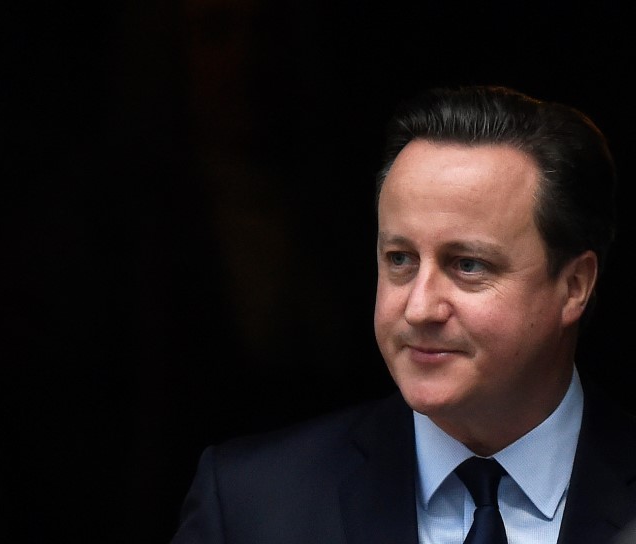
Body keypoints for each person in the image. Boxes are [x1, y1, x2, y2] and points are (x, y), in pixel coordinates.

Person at [168, 85, 636, 544]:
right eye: (400, 259)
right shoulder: (252, 503)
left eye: (467, 265)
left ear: (574, 287)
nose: (418, 307)